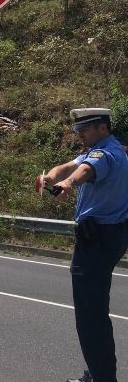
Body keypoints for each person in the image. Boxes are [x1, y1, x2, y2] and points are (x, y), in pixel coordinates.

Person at [42, 107, 128, 382]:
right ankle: (98, 372)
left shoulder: (106, 154)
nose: (80, 134)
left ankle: (103, 378)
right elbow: (71, 166)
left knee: (91, 316)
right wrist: (51, 177)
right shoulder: (100, 149)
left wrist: (68, 183)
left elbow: (85, 171)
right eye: (78, 130)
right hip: (106, 236)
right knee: (95, 311)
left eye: (85, 129)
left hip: (98, 239)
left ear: (103, 127)